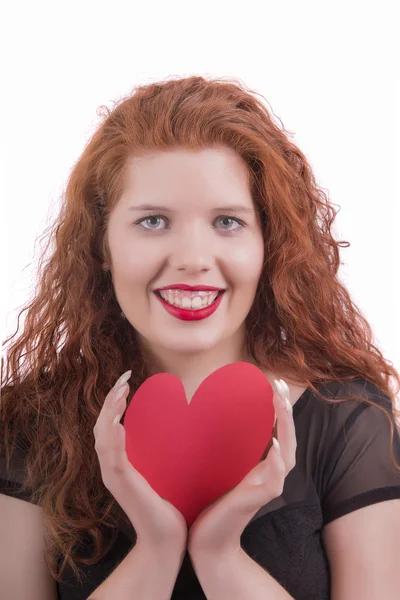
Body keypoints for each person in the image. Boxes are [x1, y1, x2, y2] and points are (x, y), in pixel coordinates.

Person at [1, 75, 400, 600]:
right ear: (101, 245)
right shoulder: (29, 425)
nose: (192, 258)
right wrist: (158, 546)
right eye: (153, 221)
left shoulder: (348, 420)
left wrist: (218, 552)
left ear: (268, 244)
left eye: (228, 222)